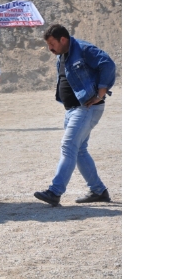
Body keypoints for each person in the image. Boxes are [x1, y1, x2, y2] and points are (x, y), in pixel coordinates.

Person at [34, 24, 115, 207]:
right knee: (79, 150)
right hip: (72, 109)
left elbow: (108, 64)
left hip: (85, 108)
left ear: (63, 39)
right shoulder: (62, 55)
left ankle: (55, 192)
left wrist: (101, 93)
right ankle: (98, 191)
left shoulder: (84, 49)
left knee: (69, 146)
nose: (50, 49)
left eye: (52, 44)